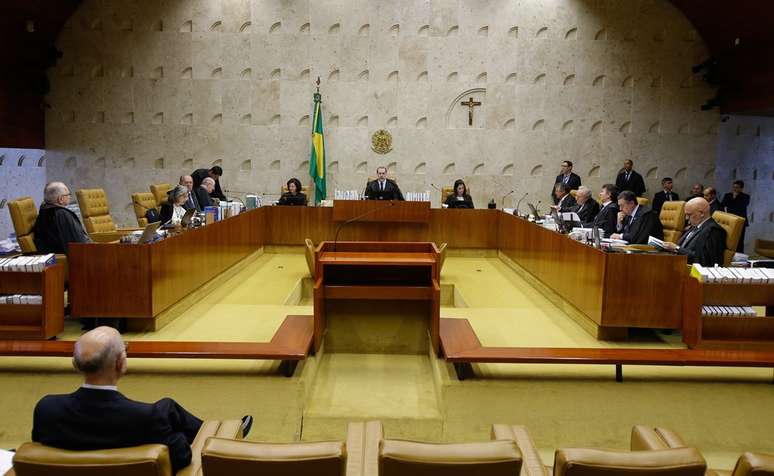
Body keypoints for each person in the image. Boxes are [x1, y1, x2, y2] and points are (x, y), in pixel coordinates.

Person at [31, 326, 252, 473]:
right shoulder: (146, 418)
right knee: (166, 412)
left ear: (75, 364)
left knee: (167, 407)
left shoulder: (46, 409)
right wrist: (175, 434)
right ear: (120, 363)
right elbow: (182, 456)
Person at [661, 198, 726, 266]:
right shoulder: (695, 225)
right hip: (678, 263)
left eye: (689, 214)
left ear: (701, 213)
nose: (686, 218)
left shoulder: (713, 231)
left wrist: (676, 249)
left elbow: (705, 259)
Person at [32, 182, 91, 254]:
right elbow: (80, 243)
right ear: (61, 199)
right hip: (72, 259)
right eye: (68, 195)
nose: (69, 197)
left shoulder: (43, 213)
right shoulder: (63, 215)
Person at [721, 180, 750, 252]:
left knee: (739, 240)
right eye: (734, 187)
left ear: (741, 188)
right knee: (729, 239)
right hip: (730, 220)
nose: (734, 189)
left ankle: (739, 256)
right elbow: (723, 204)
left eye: (737, 187)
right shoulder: (728, 195)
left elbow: (742, 206)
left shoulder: (745, 196)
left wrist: (735, 197)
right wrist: (732, 197)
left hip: (741, 221)